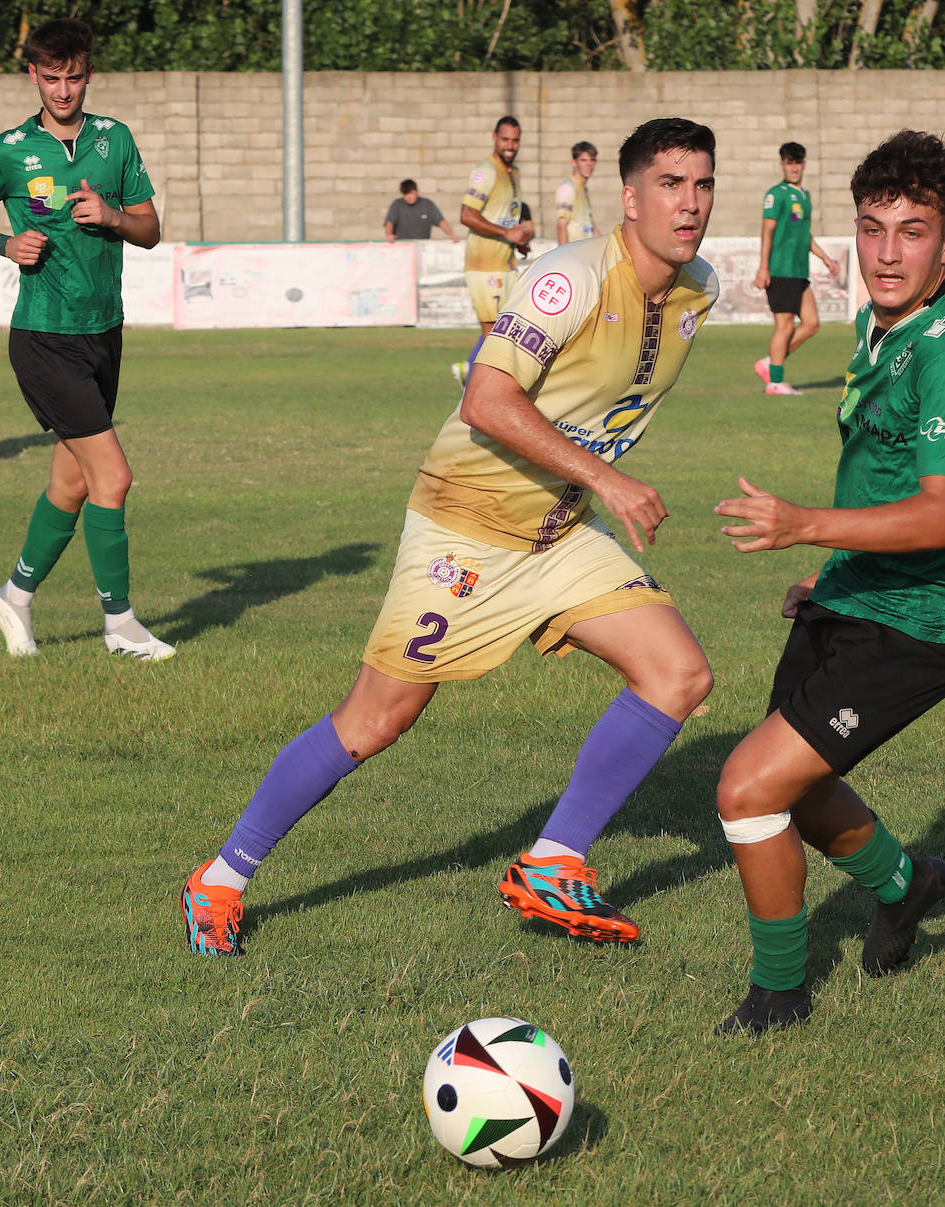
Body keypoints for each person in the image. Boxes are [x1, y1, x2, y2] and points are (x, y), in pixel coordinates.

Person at [182, 117, 722, 959]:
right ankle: (219, 876)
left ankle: (554, 861)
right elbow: (486, 401)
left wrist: (586, 485)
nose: (689, 204)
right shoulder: (568, 279)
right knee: (375, 721)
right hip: (465, 529)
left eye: (702, 185)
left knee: (678, 672)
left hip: (555, 531)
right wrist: (607, 477)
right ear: (629, 196)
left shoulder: (701, 287)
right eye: (670, 184)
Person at [711, 130, 945, 1035]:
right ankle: (905, 882)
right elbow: (882, 479)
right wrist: (831, 564)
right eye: (873, 228)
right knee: (798, 785)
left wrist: (804, 523)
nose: (887, 253)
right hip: (856, 591)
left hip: (924, 620)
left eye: (913, 231)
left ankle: (781, 993)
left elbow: (941, 516)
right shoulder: (877, 324)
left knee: (747, 787)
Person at [0, 17, 175, 663]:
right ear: (33, 76)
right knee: (114, 476)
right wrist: (2, 243)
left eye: (74, 77)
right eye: (52, 78)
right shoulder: (8, 149)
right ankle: (121, 623)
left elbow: (151, 228)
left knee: (71, 484)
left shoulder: (115, 140)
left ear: (88, 74)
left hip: (105, 330)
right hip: (44, 337)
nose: (64, 90)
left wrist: (113, 216)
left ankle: (13, 597)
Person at [753, 141, 839, 397]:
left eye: (798, 163)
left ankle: (770, 363)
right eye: (789, 163)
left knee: (812, 324)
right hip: (780, 269)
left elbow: (804, 234)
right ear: (782, 165)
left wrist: (825, 258)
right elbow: (767, 231)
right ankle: (775, 382)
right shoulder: (776, 194)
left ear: (804, 165)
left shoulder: (805, 195)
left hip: (799, 271)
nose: (794, 168)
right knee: (785, 326)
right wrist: (763, 267)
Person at [450, 115, 528, 388]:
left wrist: (516, 238)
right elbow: (467, 214)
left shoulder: (513, 172)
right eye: (505, 139)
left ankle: (469, 373)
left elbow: (504, 218)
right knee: (494, 334)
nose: (510, 145)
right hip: (484, 266)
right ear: (495, 138)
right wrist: (506, 232)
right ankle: (477, 395)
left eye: (515, 140)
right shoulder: (486, 170)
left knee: (505, 332)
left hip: (505, 263)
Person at [383, 179, 459, 242]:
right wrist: (389, 235)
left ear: (417, 191)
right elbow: (389, 222)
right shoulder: (397, 204)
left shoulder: (427, 204)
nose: (409, 197)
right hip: (402, 246)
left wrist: (452, 235)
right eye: (405, 194)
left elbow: (441, 221)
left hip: (422, 246)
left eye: (411, 193)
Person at [555, 141, 598, 244]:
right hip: (573, 255)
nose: (589, 164)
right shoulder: (567, 188)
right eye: (583, 160)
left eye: (592, 160)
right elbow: (561, 225)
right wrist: (563, 257)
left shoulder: (582, 188)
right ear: (574, 162)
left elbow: (591, 226)